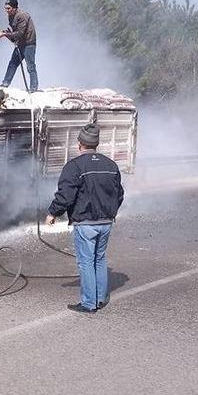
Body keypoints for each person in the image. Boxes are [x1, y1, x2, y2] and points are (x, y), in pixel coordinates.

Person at [45, 123, 124, 313]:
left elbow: (65, 196)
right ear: (96, 144)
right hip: (106, 222)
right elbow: (119, 194)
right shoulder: (111, 165)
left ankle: (89, 303)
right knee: (100, 258)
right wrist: (110, 212)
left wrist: (52, 213)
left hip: (85, 222)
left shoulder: (74, 167)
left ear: (80, 143)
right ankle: (101, 298)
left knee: (86, 262)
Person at [0, 0, 39, 92]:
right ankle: (5, 84)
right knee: (13, 63)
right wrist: (6, 33)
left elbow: (19, 34)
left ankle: (33, 88)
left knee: (30, 66)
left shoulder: (22, 16)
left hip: (29, 44)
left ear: (15, 8)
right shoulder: (10, 16)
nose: (6, 10)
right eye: (5, 8)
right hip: (20, 44)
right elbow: (14, 35)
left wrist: (5, 34)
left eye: (9, 8)